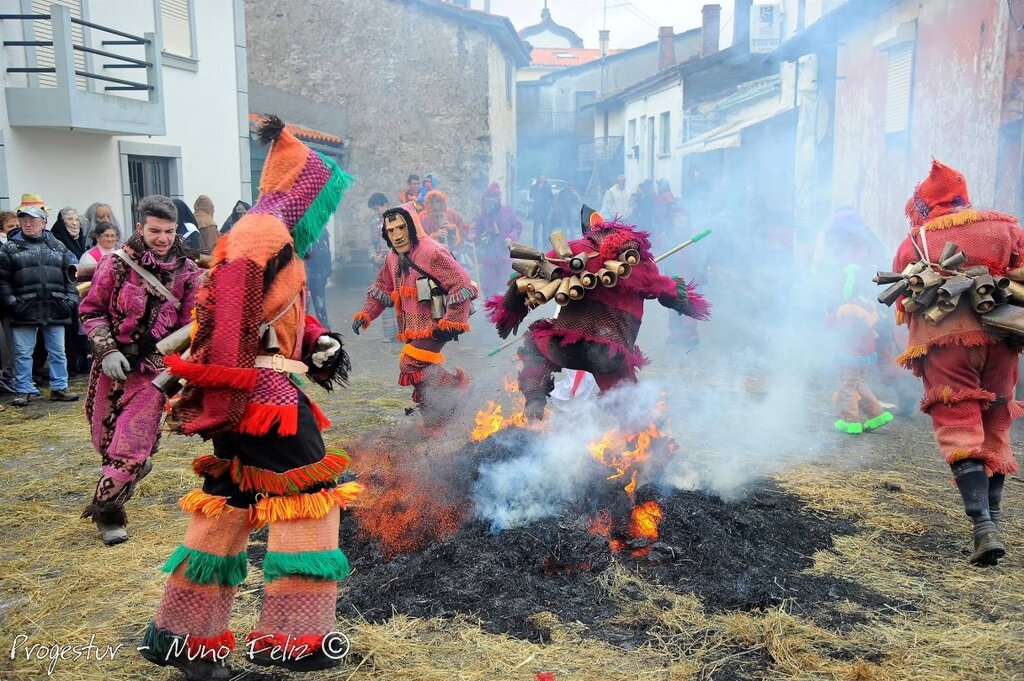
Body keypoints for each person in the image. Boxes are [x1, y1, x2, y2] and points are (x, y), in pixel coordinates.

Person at [141, 116, 358, 678]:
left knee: (229, 503)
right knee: (310, 497)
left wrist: (317, 341)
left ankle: (181, 639)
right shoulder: (263, 234)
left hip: (255, 392)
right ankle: (295, 640)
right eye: (322, 198)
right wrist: (226, 398)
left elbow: (277, 314)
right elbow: (230, 318)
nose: (322, 214)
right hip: (259, 398)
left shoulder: (268, 235)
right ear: (306, 190)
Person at [891, 159, 1024, 566]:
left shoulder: (916, 240)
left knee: (959, 424)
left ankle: (983, 526)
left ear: (926, 203)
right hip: (1002, 339)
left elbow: (902, 298)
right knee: (996, 418)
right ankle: (995, 518)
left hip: (945, 342)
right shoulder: (1007, 226)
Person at [486, 206, 709, 420]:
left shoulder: (575, 249)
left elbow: (525, 280)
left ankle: (535, 398)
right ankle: (642, 442)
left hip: (565, 346)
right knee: (627, 403)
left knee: (533, 348)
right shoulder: (643, 264)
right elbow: (669, 290)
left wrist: (510, 311)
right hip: (612, 356)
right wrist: (693, 305)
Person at [79, 195, 203, 545]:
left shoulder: (189, 272)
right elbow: (92, 311)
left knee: (128, 447)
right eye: (155, 230)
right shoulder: (116, 264)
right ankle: (133, 467)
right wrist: (106, 351)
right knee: (106, 443)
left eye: (169, 230)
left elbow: (192, 327)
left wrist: (176, 373)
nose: (162, 238)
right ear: (140, 228)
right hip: (111, 369)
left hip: (154, 373)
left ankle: (108, 513)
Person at [353, 203, 476, 428]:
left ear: (411, 226)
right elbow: (382, 286)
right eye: (391, 231)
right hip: (412, 326)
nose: (397, 235)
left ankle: (456, 388)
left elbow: (462, 282)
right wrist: (366, 313)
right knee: (423, 371)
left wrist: (453, 321)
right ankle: (436, 416)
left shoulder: (431, 251)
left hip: (440, 323)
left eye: (401, 228)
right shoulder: (392, 256)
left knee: (409, 364)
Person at [0, 196, 80, 405]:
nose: (28, 223)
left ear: (43, 222)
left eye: (33, 220)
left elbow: (70, 275)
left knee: (57, 352)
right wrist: (12, 302)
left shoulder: (58, 246)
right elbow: (2, 280)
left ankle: (59, 387)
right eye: (24, 219)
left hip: (55, 306)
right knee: (23, 353)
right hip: (23, 308)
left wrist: (69, 299)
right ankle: (24, 389)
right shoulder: (9, 249)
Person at [828, 265, 893, 435]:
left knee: (846, 386)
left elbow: (845, 329)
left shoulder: (850, 308)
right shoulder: (866, 304)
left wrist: (830, 318)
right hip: (863, 353)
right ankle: (876, 414)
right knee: (858, 384)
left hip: (852, 354)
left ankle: (850, 421)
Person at [50, 208, 90, 375]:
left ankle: (79, 362)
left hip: (78, 291)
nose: (75, 223)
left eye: (77, 220)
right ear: (62, 222)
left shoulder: (81, 240)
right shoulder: (57, 240)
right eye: (70, 220)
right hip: (63, 291)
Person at [471, 182, 522, 298]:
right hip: (489, 256)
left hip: (505, 254)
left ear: (498, 199)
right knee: (489, 287)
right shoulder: (483, 214)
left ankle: (504, 310)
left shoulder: (507, 211)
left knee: (506, 285)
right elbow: (476, 228)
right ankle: (490, 312)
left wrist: (511, 237)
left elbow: (517, 226)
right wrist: (473, 234)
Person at [368, 193, 399, 343]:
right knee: (385, 298)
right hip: (380, 266)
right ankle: (389, 333)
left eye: (378, 208)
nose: (376, 211)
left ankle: (404, 332)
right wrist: (374, 257)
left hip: (397, 264)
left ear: (386, 204)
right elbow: (371, 244)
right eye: (374, 209)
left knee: (400, 298)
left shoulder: (398, 219)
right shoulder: (374, 223)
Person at [306, 229, 332, 326]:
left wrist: (327, 271)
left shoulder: (322, 231)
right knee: (303, 311)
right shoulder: (300, 230)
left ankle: (327, 335)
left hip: (319, 275)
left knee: (321, 310)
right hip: (304, 278)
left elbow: (327, 253)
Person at [529, 174, 554, 248]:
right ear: (538, 178)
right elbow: (531, 195)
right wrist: (536, 196)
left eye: (544, 178)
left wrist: (552, 206)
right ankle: (535, 245)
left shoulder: (548, 187)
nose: (542, 179)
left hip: (545, 211)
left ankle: (545, 245)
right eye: (541, 178)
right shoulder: (534, 187)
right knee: (536, 229)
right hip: (537, 210)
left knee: (545, 229)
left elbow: (551, 196)